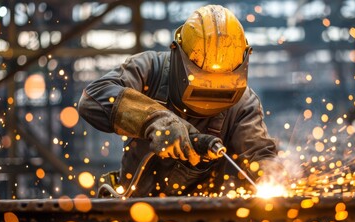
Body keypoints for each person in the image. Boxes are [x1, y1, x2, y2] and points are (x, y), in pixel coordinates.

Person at [78, 5, 284, 198]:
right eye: (203, 84)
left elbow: (259, 155)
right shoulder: (150, 70)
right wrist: (155, 121)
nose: (211, 94)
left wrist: (270, 176)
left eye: (222, 88)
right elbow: (93, 98)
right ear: (177, 54)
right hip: (136, 211)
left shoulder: (243, 104)